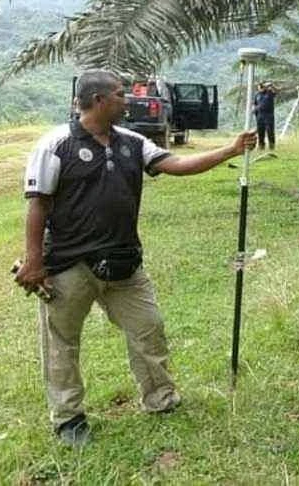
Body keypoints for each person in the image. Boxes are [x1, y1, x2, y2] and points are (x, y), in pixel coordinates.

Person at [15, 69, 257, 447]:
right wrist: (33, 262)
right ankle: (68, 418)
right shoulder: (54, 144)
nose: (127, 101)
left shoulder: (132, 141)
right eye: (120, 94)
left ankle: (160, 398)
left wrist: (230, 150)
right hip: (68, 264)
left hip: (124, 262)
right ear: (98, 100)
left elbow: (176, 165)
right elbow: (38, 205)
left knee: (149, 328)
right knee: (62, 344)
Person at [252, 81, 277, 150]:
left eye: (262, 87)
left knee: (270, 131)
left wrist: (271, 85)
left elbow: (276, 91)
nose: (261, 89)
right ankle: (261, 145)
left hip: (268, 115)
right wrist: (254, 109)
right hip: (260, 115)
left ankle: (271, 145)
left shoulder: (269, 92)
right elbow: (254, 104)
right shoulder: (257, 95)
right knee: (260, 131)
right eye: (260, 87)